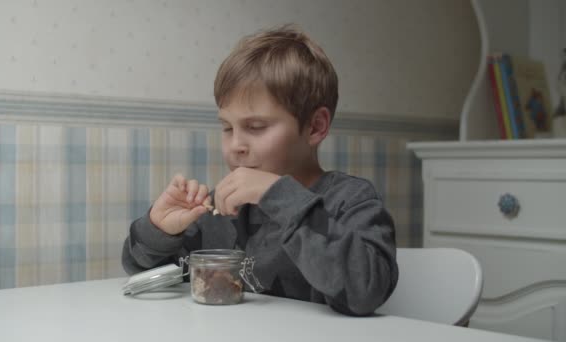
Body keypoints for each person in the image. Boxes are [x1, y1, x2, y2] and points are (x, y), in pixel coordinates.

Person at [122, 24, 398, 316]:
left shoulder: (350, 200)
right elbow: (143, 271)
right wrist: (159, 229)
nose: (236, 144)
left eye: (256, 127)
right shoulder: (219, 212)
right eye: (227, 127)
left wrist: (277, 195)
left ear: (316, 126)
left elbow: (365, 290)